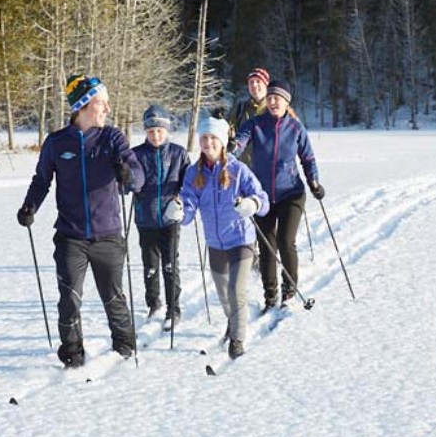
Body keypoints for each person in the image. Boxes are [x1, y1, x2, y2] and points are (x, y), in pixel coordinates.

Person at [17, 75, 144, 368]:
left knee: (113, 297)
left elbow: (138, 177)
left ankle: (125, 347)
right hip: (70, 236)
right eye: (102, 103)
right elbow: (41, 180)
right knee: (69, 299)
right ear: (84, 105)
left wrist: (129, 175)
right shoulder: (57, 142)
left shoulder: (113, 138)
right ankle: (72, 353)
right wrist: (29, 206)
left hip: (108, 235)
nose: (107, 109)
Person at [179, 114, 269, 359]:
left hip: (241, 240)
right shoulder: (193, 173)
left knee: (235, 290)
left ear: (222, 140)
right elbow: (188, 207)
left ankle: (237, 340)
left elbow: (263, 200)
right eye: (204, 138)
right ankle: (233, 321)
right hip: (214, 243)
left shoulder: (239, 170)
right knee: (222, 293)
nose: (208, 143)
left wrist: (252, 203)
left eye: (213, 138)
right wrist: (178, 212)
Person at [231, 80, 323, 310]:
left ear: (286, 102)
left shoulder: (295, 128)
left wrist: (313, 182)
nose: (272, 102)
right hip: (261, 196)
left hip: (291, 193)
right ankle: (270, 294)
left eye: (277, 98)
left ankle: (289, 290)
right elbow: (240, 141)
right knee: (266, 246)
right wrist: (232, 149)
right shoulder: (256, 125)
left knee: (285, 241)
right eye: (270, 98)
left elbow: (308, 158)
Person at [131, 104, 189, 329]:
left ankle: (173, 309)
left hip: (169, 218)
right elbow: (128, 183)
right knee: (150, 265)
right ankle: (153, 303)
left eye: (160, 130)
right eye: (151, 131)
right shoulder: (136, 154)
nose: (155, 135)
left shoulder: (178, 153)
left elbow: (189, 182)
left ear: (167, 130)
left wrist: (181, 198)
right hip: (145, 217)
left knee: (169, 264)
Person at [228, 67, 270, 164]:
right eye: (251, 82)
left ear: (266, 84)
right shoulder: (240, 109)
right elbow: (229, 131)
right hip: (244, 168)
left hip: (269, 170)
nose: (254, 85)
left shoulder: (275, 109)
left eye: (258, 81)